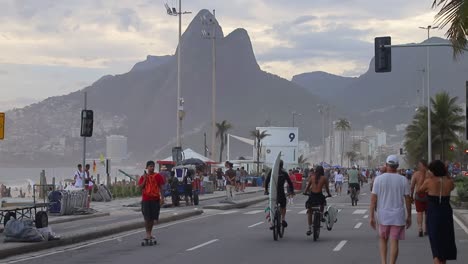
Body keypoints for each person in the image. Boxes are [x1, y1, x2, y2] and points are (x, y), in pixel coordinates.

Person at [370, 155, 411, 264]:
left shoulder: (378, 179)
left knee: (383, 239)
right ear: (397, 166)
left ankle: (384, 262)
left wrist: (371, 217)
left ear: (387, 165)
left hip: (383, 215)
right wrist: (409, 216)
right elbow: (408, 200)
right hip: (398, 216)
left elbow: (373, 200)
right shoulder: (403, 180)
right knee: (394, 241)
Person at [419, 160, 457, 263]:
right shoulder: (449, 182)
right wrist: (446, 174)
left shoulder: (429, 181)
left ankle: (436, 258)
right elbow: (452, 187)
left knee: (435, 240)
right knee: (445, 239)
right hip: (446, 212)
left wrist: (425, 176)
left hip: (434, 212)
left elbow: (419, 190)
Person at [138, 161, 165, 241]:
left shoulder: (158, 176)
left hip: (155, 199)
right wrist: (145, 179)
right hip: (146, 199)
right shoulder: (143, 177)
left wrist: (162, 198)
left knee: (153, 218)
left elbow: (161, 188)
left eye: (153, 166)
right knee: (147, 218)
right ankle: (147, 234)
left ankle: (150, 233)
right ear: (147, 167)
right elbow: (140, 187)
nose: (152, 168)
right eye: (150, 166)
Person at [264, 160, 295, 229]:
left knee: (271, 205)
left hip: (273, 193)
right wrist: (292, 191)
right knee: (283, 205)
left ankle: (272, 222)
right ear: (282, 165)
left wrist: (266, 190)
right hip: (281, 192)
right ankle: (283, 219)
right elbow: (290, 183)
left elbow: (266, 181)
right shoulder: (284, 172)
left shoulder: (272, 171)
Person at [304, 166, 332, 236]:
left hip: (312, 196)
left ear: (315, 171)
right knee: (322, 202)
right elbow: (327, 189)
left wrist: (305, 192)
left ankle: (309, 228)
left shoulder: (312, 177)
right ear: (322, 171)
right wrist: (329, 194)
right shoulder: (324, 178)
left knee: (310, 211)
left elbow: (307, 188)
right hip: (319, 196)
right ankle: (321, 215)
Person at [411, 160, 429, 237]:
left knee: (420, 213)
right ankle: (426, 229)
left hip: (419, 195)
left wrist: (411, 196)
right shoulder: (430, 174)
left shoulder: (416, 174)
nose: (419, 166)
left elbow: (412, 186)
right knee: (427, 213)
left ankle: (420, 229)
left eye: (419, 165)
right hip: (428, 195)